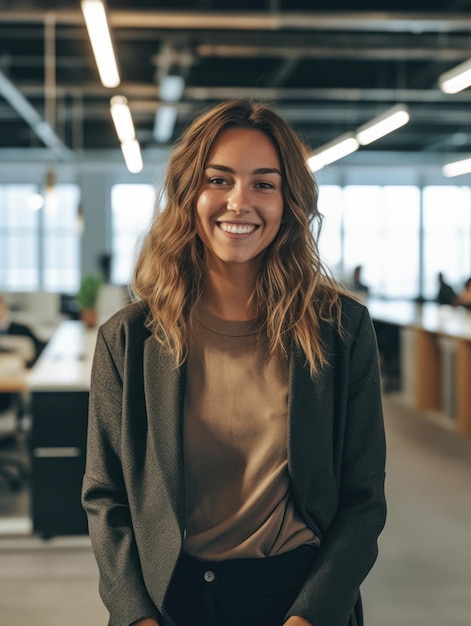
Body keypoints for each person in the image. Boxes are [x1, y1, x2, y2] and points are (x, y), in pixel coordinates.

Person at [82, 100, 386, 626]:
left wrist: (309, 618)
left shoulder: (341, 330)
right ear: (188, 195)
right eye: (218, 180)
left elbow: (363, 503)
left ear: (289, 201)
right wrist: (137, 616)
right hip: (168, 603)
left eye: (264, 184)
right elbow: (105, 499)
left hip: (297, 599)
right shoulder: (127, 338)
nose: (239, 202)